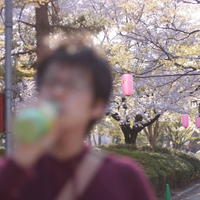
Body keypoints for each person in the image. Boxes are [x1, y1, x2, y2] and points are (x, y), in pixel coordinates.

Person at [0, 40, 156, 200]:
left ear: (97, 106)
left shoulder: (124, 179)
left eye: (73, 84)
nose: (58, 92)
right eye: (51, 82)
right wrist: (17, 165)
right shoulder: (10, 174)